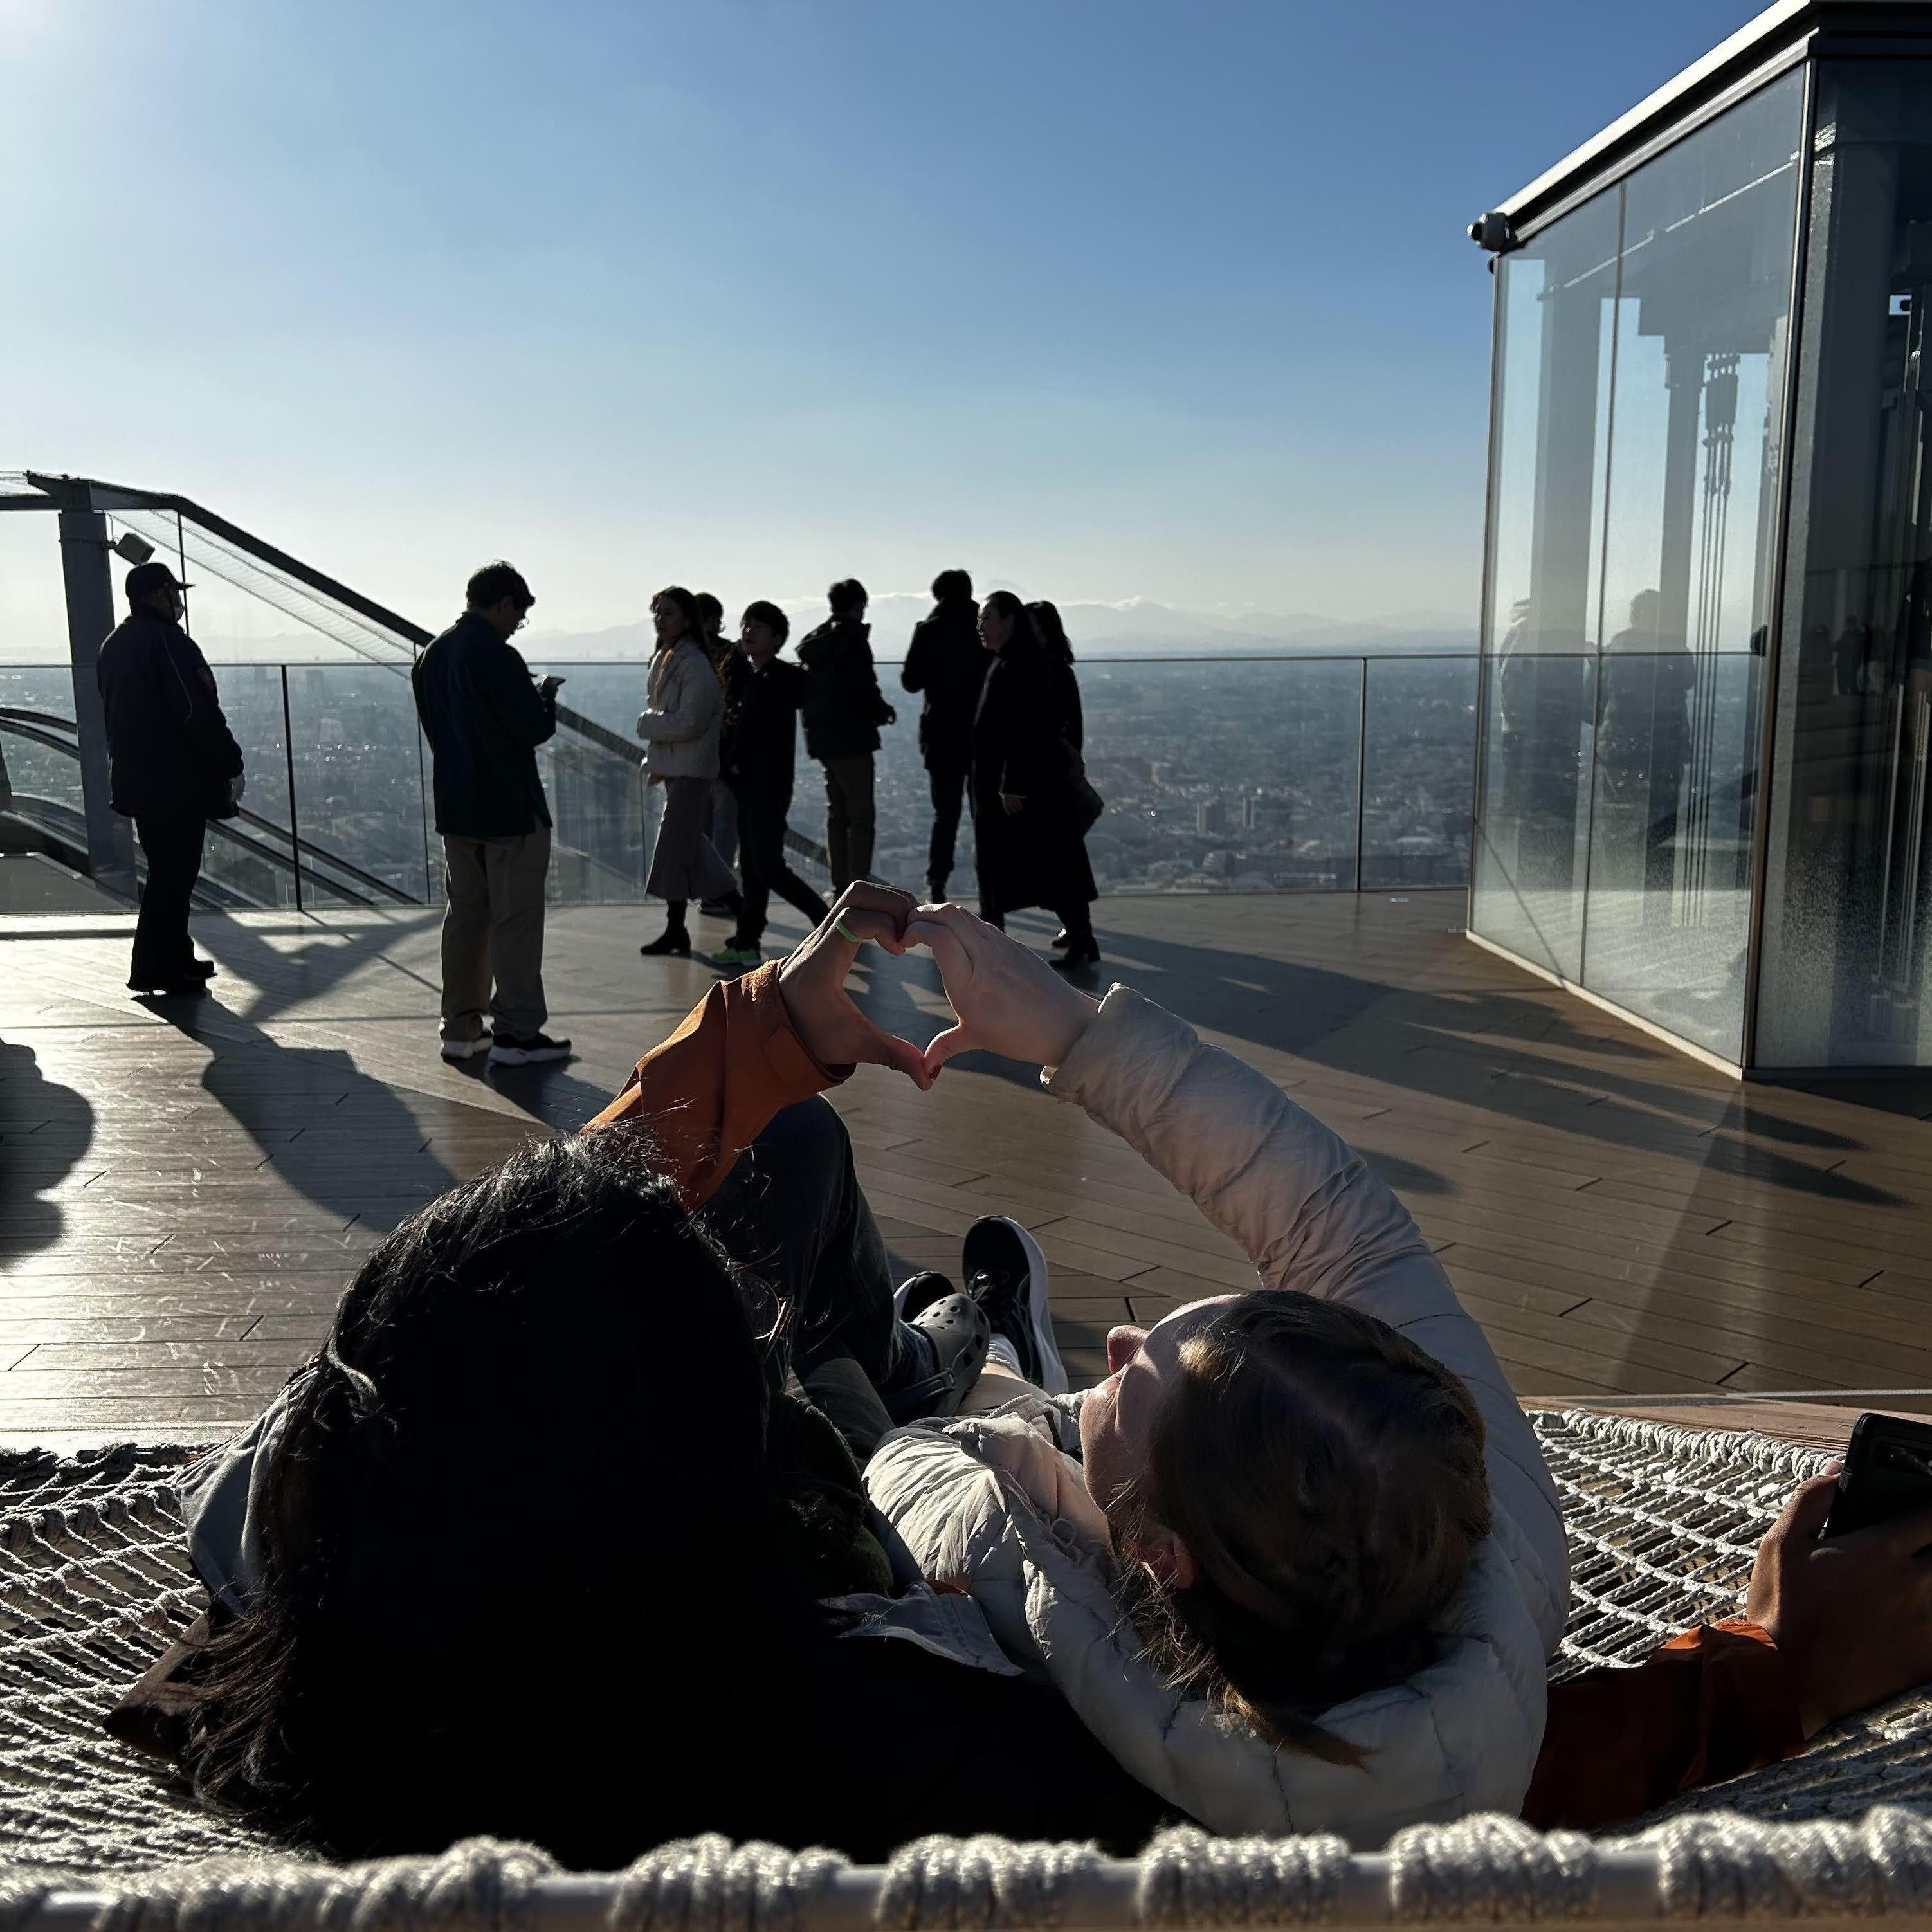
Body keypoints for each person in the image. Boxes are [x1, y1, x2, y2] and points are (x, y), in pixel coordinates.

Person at [113, 898, 1932, 1859]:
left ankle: (932, 1338)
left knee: (794, 1180)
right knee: (868, 1289)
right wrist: (1753, 1679)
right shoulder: (910, 1723)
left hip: (881, 1473)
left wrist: (749, 1049)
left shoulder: (326, 1542)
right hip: (927, 1479)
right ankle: (948, 1346)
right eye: (721, 1371)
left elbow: (444, 1356)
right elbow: (1423, 1772)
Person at [411, 563, 571, 1068]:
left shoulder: (432, 657)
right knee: (515, 920)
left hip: (456, 807)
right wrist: (544, 695)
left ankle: (460, 1028)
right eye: (517, 616)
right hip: (509, 808)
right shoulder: (498, 656)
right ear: (504, 603)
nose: (515, 626)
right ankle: (518, 1033)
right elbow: (530, 729)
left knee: (465, 917)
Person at [95, 561, 245, 998]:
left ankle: (174, 957)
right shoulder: (168, 643)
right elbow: (196, 711)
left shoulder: (114, 645)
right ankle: (155, 966)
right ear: (160, 594)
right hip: (174, 782)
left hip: (137, 780)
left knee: (166, 869)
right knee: (175, 875)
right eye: (174, 592)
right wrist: (230, 761)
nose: (179, 601)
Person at [970, 590, 1100, 969]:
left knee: (1035, 864)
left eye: (987, 619)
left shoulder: (1019, 667)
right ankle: (1079, 938)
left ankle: (995, 946)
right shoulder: (1014, 663)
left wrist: (1011, 783)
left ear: (1009, 622)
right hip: (1024, 785)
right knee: (1052, 864)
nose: (981, 626)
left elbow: (1026, 731)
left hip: (1020, 788)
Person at [712, 600, 830, 971]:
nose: (748, 632)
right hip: (752, 784)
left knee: (767, 866)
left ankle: (829, 924)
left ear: (777, 638)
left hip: (766, 785)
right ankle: (748, 940)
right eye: (746, 625)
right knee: (752, 866)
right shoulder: (755, 678)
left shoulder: (777, 680)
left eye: (758, 627)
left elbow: (754, 735)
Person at [637, 585, 741, 957]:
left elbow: (690, 722)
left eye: (667, 613)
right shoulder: (671, 658)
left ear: (686, 619)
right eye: (658, 612)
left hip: (691, 770)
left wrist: (648, 724)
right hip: (681, 767)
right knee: (688, 847)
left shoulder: (693, 664)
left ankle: (735, 917)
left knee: (681, 846)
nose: (660, 620)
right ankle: (682, 928)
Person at [797, 578, 895, 891]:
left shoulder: (817, 640)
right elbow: (863, 685)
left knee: (837, 816)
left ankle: (840, 885)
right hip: (853, 738)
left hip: (825, 739)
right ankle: (858, 886)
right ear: (858, 605)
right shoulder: (852, 638)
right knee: (861, 818)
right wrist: (882, 712)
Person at [900, 569, 985, 900]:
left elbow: (910, 681)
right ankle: (991, 885)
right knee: (985, 814)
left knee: (945, 815)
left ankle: (937, 882)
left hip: (941, 734)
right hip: (982, 732)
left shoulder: (930, 631)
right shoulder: (983, 628)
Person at [1027, 599, 1100, 960]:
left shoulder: (1044, 672)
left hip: (1048, 778)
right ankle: (1078, 931)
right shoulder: (1057, 669)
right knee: (1063, 858)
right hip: (1058, 774)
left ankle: (1081, 935)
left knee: (1059, 860)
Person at [693, 589, 743, 914]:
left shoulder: (683, 655)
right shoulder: (730, 656)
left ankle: (707, 888)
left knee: (705, 822)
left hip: (692, 751)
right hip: (724, 751)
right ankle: (719, 890)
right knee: (725, 822)